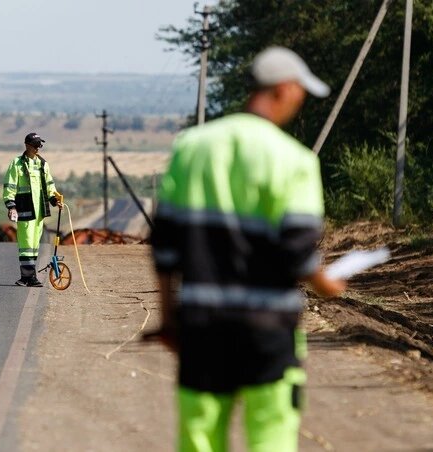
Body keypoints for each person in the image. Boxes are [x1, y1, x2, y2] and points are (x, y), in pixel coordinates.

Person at [149, 47, 347, 452]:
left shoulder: (191, 147)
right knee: (270, 437)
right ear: (284, 89)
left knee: (200, 439)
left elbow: (165, 248)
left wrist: (169, 320)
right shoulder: (294, 160)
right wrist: (327, 284)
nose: (300, 101)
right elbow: (298, 253)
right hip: (268, 328)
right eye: (301, 92)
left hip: (203, 325)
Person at [3, 132, 61, 287]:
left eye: (39, 145)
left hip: (39, 212)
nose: (38, 148)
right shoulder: (17, 163)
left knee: (34, 245)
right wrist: (11, 206)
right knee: (26, 244)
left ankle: (28, 277)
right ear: (27, 145)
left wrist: (54, 199)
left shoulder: (43, 164)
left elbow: (49, 185)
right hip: (25, 209)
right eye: (35, 145)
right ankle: (28, 277)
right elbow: (10, 186)